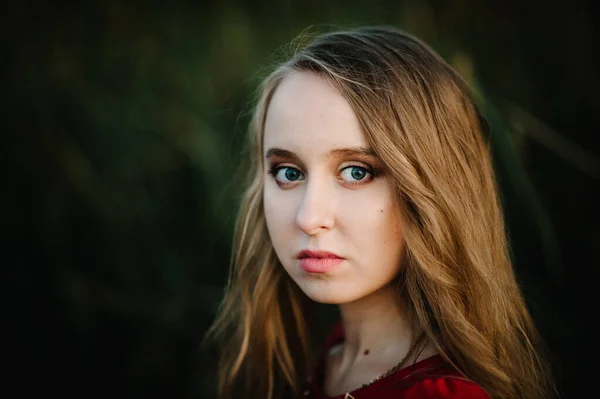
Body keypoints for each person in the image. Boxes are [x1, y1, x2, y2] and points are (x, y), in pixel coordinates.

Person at [204, 26, 556, 399]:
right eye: (289, 173)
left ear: (433, 188)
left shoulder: (441, 394)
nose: (309, 218)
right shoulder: (330, 357)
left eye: (357, 172)